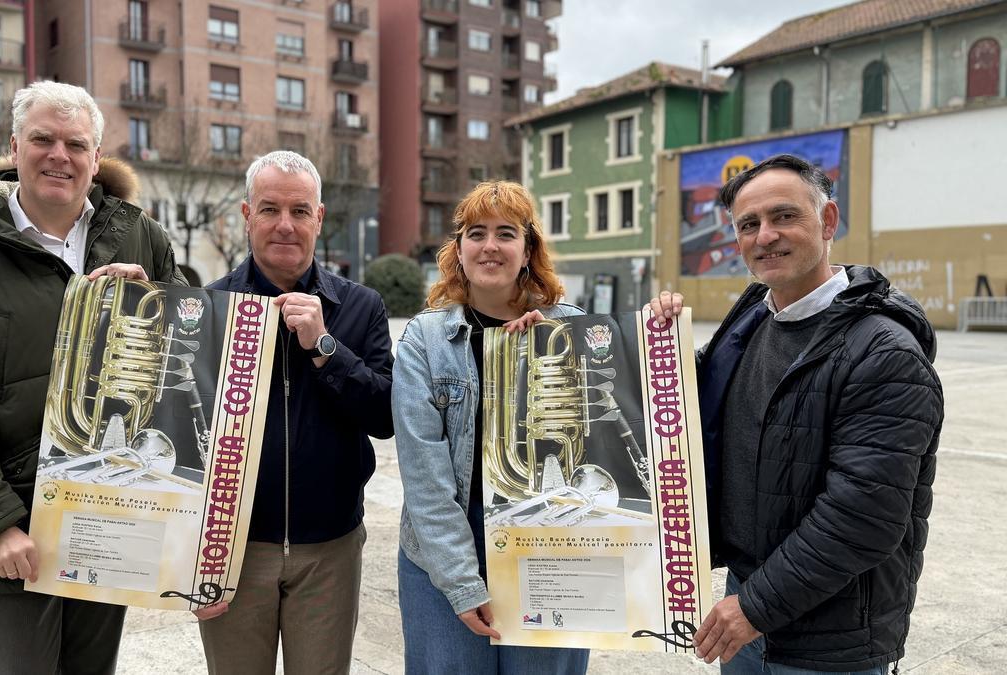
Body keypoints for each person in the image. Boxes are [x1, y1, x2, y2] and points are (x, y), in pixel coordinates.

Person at [0, 81, 186, 674]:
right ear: (15, 147)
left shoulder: (142, 235)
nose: (59, 155)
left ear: (95, 159)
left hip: (111, 514)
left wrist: (150, 308)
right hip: (18, 529)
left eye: (76, 144)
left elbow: (186, 361)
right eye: (43, 139)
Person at [650, 154, 943, 674]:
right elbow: (697, 405)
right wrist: (652, 346)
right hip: (746, 599)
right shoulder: (752, 319)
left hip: (829, 636)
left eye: (784, 217)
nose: (765, 236)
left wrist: (755, 608)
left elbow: (862, 517)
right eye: (749, 225)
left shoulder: (884, 352)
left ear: (827, 221)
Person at [195, 150, 394, 674]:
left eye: (300, 211)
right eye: (269, 209)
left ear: (320, 218)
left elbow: (385, 415)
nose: (285, 224)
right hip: (232, 547)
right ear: (246, 216)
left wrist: (326, 346)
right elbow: (187, 426)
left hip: (330, 547)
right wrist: (188, 556)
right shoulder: (211, 307)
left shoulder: (360, 306)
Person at [391, 181, 590, 674]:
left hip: (547, 547)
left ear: (527, 251)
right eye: (476, 233)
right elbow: (424, 475)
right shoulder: (427, 337)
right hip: (443, 548)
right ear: (459, 250)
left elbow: (622, 414)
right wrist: (461, 582)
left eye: (506, 233)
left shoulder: (571, 329)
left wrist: (659, 328)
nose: (490, 246)